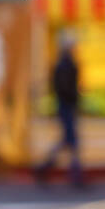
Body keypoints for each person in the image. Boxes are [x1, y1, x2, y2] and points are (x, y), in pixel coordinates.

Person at [34, 32, 84, 189]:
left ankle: (47, 168)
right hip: (66, 105)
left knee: (68, 140)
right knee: (71, 141)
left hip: (67, 105)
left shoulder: (66, 62)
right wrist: (73, 97)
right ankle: (74, 175)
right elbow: (63, 87)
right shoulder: (63, 64)